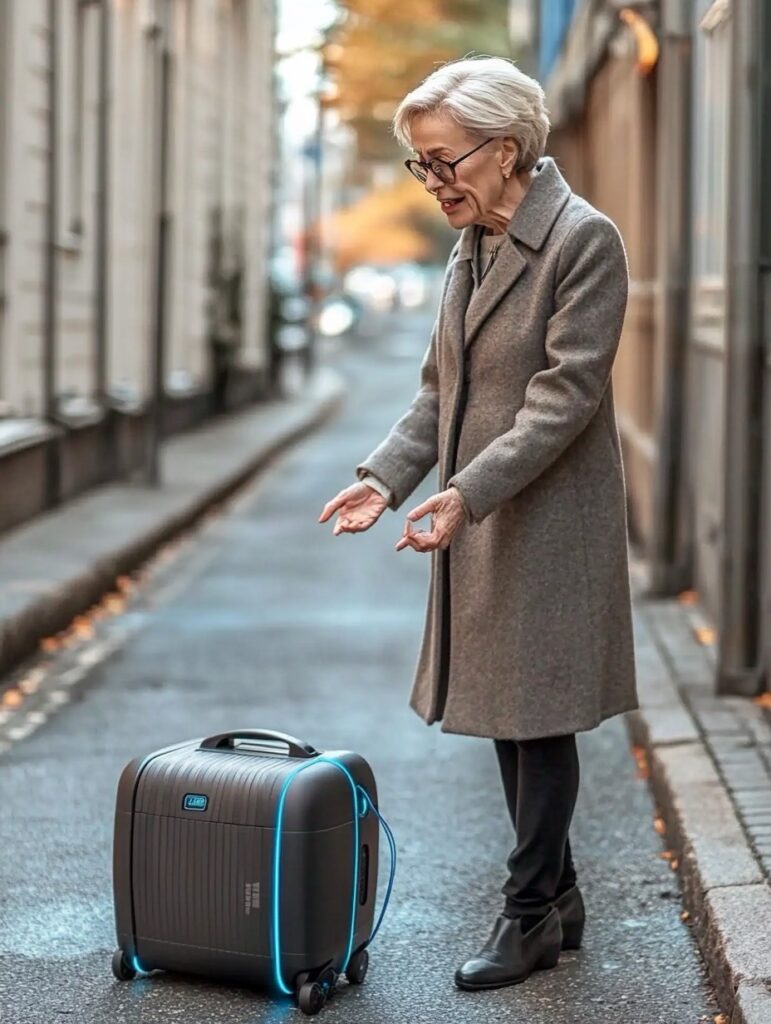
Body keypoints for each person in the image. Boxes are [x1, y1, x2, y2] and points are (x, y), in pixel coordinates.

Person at [318, 55, 639, 992]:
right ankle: (560, 896)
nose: (431, 181)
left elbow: (564, 397)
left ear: (504, 150)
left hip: (549, 520)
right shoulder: (475, 245)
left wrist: (465, 491)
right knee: (509, 710)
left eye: (442, 159)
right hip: (483, 513)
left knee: (539, 717)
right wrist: (384, 478)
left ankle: (527, 911)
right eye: (420, 164)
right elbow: (438, 391)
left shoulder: (582, 240)